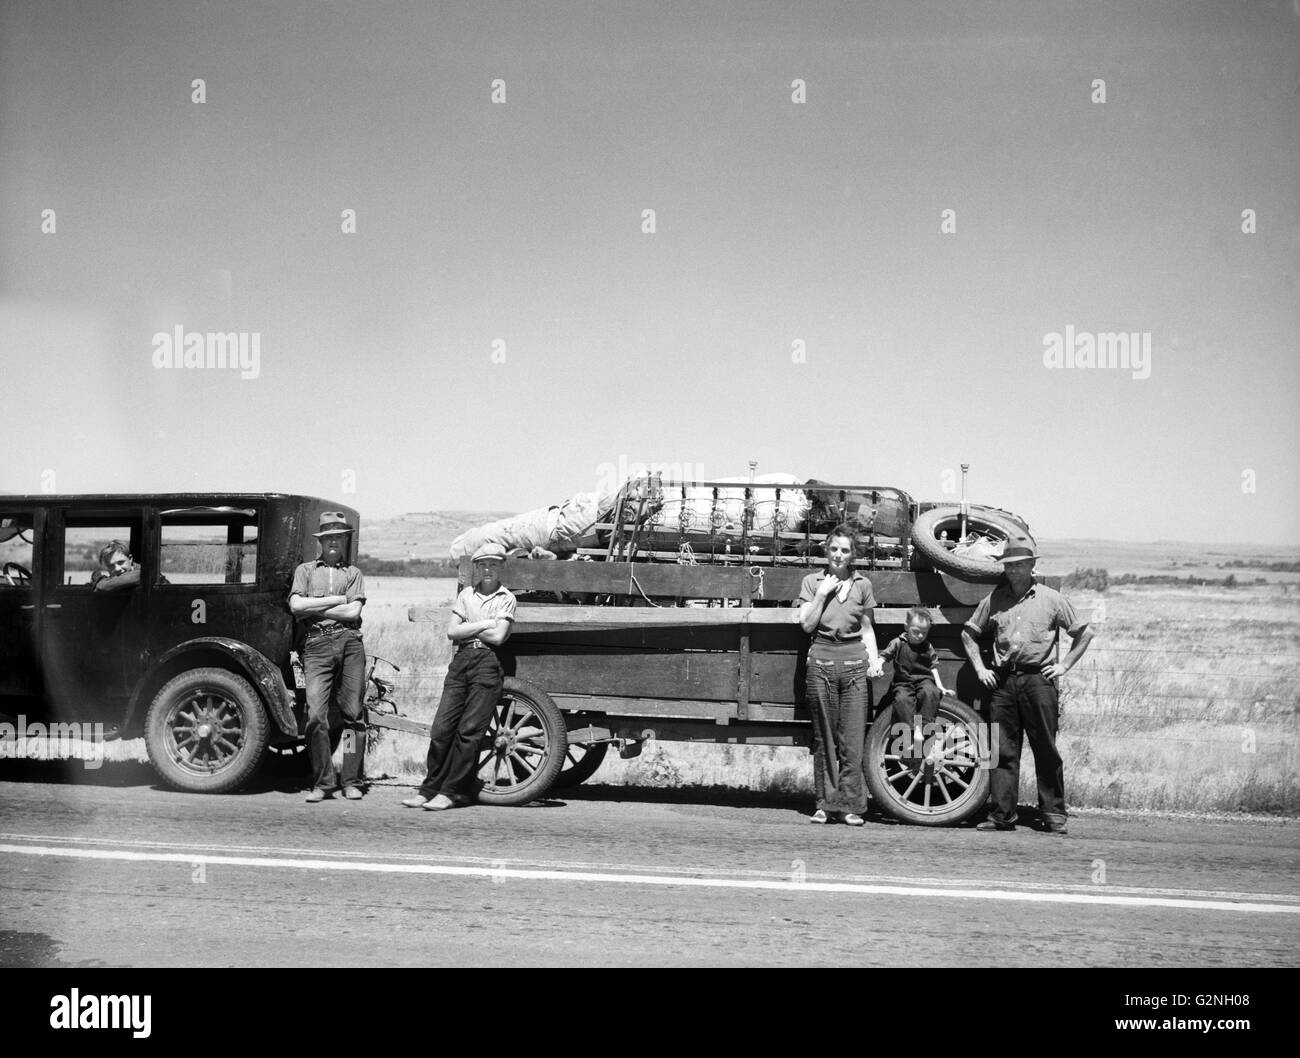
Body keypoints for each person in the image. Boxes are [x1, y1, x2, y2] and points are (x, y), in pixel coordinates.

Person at [961, 541, 1094, 835]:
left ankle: (1053, 814)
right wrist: (981, 669)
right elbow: (968, 633)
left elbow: (1085, 632)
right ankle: (1002, 816)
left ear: (1032, 566)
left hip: (1038, 681)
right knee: (1003, 750)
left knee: (1045, 748)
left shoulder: (1051, 599)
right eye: (1009, 564)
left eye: (1019, 563)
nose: (1014, 569)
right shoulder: (995, 600)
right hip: (1004, 682)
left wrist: (1064, 665)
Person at [403, 542, 517, 812]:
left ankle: (451, 791)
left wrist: (469, 627)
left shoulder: (507, 598)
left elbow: (499, 638)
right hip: (462, 660)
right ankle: (428, 789)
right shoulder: (467, 595)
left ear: (500, 567)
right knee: (442, 729)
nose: (488, 569)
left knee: (469, 733)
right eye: (483, 564)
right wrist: (485, 624)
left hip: (488, 663)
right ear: (476, 568)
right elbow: (452, 632)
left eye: (493, 564)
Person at [794, 525, 884, 826]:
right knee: (825, 739)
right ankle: (824, 804)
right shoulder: (812, 581)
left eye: (845, 550)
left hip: (854, 664)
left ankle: (850, 807)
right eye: (834, 549)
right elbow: (806, 625)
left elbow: (868, 628)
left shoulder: (862, 584)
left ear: (852, 554)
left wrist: (873, 660)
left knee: (852, 740)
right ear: (826, 550)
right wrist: (822, 594)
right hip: (821, 661)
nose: (838, 555)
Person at [288, 512, 368, 804]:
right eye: (328, 538)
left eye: (339, 538)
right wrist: (335, 601)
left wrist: (315, 608)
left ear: (344, 541)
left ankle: (351, 780)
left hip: (349, 643)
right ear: (320, 542)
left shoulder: (354, 574)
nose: (334, 542)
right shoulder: (305, 571)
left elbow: (353, 613)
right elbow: (296, 606)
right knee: (315, 716)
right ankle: (323, 782)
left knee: (352, 715)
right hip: (316, 645)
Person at [881, 607, 949, 757]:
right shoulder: (898, 643)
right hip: (903, 681)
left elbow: (933, 667)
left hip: (924, 679)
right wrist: (878, 664)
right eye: (916, 631)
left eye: (924, 633)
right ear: (906, 627)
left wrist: (940, 686)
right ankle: (910, 733)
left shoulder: (927, 646)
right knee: (902, 699)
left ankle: (922, 730)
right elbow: (885, 656)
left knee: (930, 693)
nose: (919, 636)